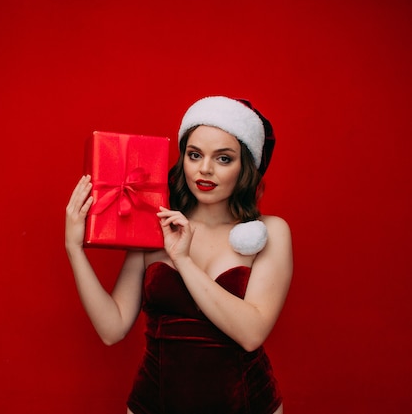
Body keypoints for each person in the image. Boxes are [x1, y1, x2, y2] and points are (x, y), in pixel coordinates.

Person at [65, 96, 293, 414]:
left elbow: (251, 333)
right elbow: (111, 329)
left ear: (246, 167)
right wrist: (75, 249)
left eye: (224, 159)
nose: (205, 169)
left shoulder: (269, 232)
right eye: (194, 154)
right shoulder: (156, 223)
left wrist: (183, 260)